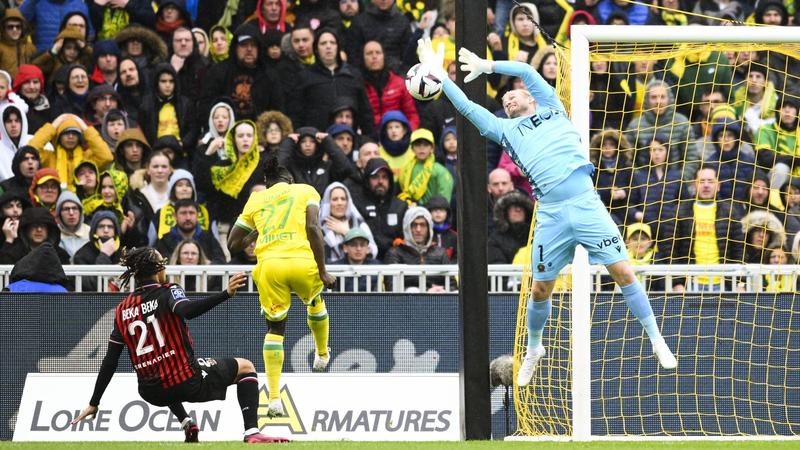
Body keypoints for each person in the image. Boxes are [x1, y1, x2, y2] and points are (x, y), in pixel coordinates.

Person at [416, 37, 677, 386]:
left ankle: (656, 339)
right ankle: (534, 349)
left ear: (531, 97)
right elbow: (465, 107)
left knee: (624, 273)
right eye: (504, 99)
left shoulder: (553, 106)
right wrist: (439, 75)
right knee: (540, 289)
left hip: (585, 203)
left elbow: (525, 70)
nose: (509, 99)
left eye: (514, 95)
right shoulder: (503, 129)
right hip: (552, 214)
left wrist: (487, 66)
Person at [70, 246, 289, 444]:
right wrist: (226, 294)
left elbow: (110, 361)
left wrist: (94, 402)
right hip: (186, 381)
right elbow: (187, 311)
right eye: (162, 263)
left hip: (150, 392)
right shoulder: (169, 291)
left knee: (160, 371)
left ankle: (186, 422)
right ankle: (252, 432)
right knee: (246, 367)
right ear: (157, 268)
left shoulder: (122, 310)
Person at [227, 155, 336, 418]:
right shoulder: (305, 190)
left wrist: (258, 232)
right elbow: (313, 227)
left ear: (267, 183)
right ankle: (322, 354)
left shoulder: (256, 199)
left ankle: (274, 398)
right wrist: (322, 270)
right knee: (315, 301)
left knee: (275, 329)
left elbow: (233, 245)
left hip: (270, 267)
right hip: (302, 262)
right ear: (289, 180)